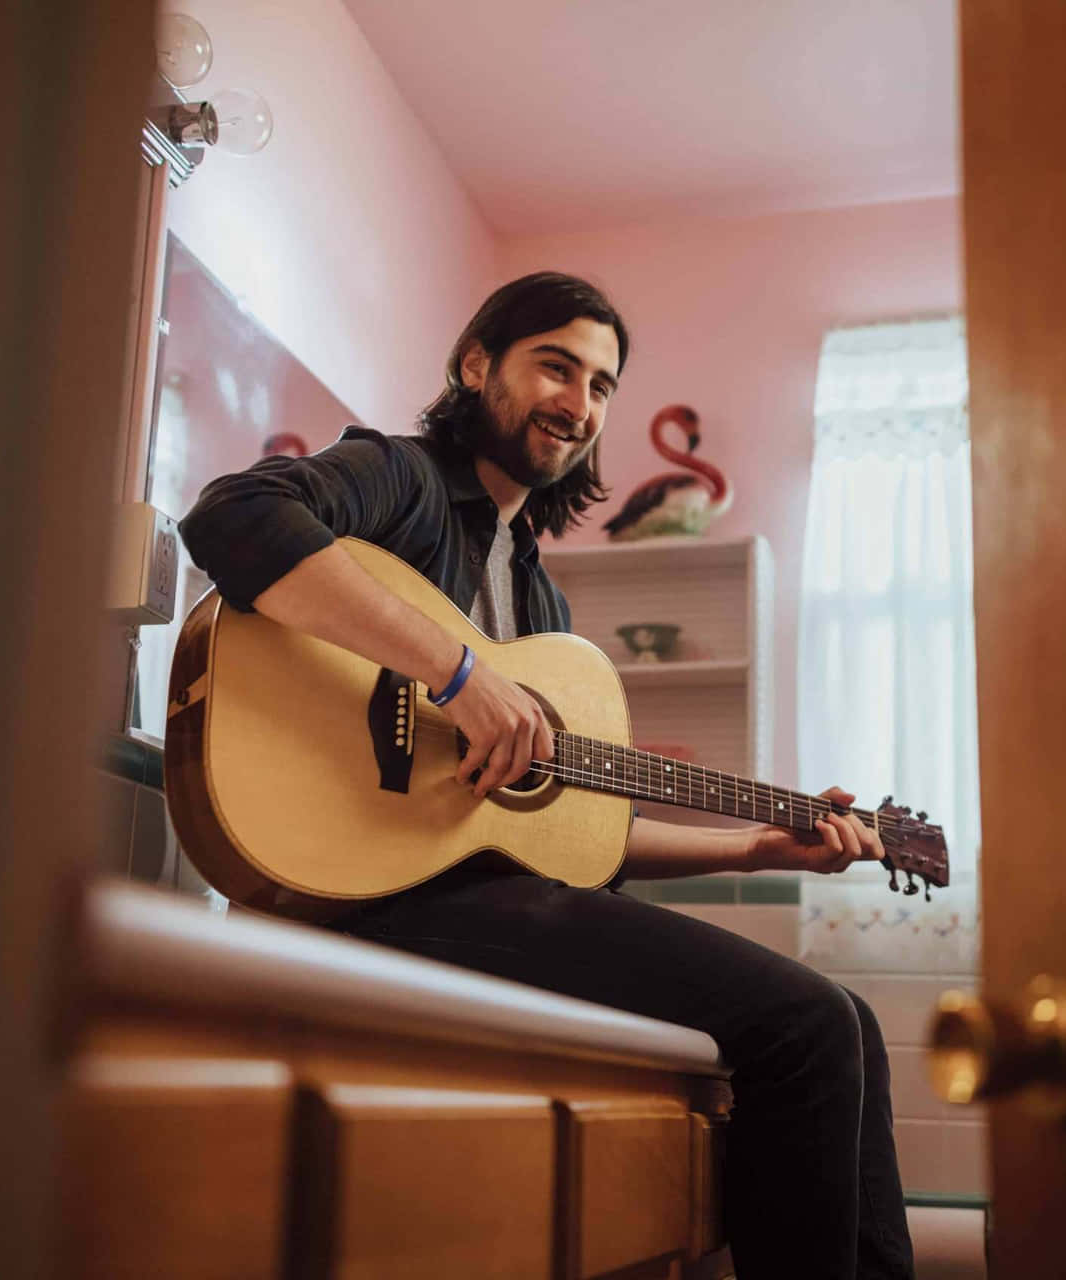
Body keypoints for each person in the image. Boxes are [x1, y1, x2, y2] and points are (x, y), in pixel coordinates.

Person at [178, 271, 916, 1280]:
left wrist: (754, 843)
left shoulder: (541, 603)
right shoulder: (403, 478)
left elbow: (574, 839)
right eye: (556, 366)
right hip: (371, 893)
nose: (580, 402)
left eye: (602, 385)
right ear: (479, 365)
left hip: (486, 896)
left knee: (853, 1024)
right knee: (807, 1022)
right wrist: (456, 670)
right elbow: (236, 514)